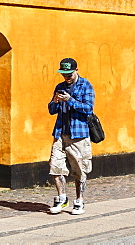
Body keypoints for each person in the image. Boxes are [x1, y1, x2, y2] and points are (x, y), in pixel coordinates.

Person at [47, 57, 95, 215]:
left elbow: (88, 109)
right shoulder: (60, 87)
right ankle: (62, 198)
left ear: (76, 70)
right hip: (60, 133)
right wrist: (55, 101)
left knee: (79, 170)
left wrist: (70, 100)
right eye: (64, 74)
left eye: (69, 74)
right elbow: (52, 110)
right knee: (55, 167)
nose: (66, 77)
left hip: (79, 135)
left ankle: (79, 201)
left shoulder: (85, 85)